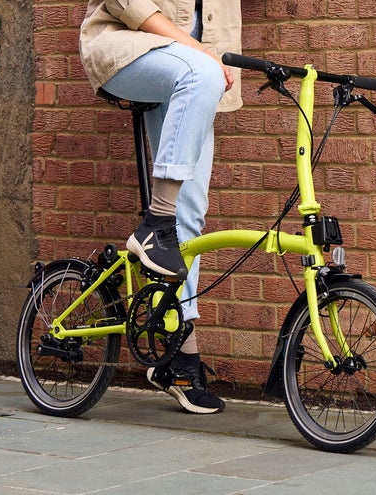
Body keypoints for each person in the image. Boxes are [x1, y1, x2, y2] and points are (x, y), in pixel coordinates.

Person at [78, 0, 241, 414]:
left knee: (191, 215)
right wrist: (196, 50)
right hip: (127, 46)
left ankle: (179, 358)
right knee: (171, 215)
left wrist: (201, 52)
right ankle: (156, 219)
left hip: (197, 70)